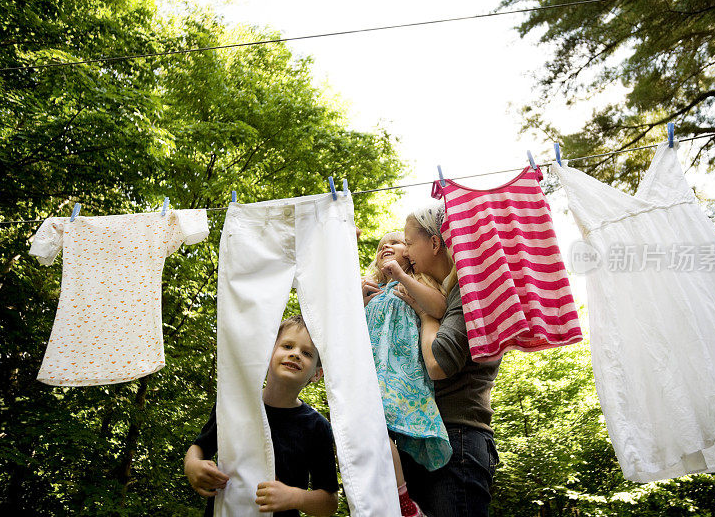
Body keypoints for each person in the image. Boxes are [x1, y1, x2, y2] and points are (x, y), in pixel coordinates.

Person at [395, 203, 501, 517]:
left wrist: (427, 317)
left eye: (409, 242)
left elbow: (438, 363)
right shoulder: (444, 291)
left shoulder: (470, 290)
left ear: (435, 242)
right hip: (434, 439)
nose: (406, 250)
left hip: (458, 440)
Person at [184, 315, 339, 517]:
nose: (295, 354)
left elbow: (329, 502)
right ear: (268, 353)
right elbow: (199, 448)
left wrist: (295, 497)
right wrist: (192, 466)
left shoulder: (317, 426)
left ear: (316, 374)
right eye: (287, 346)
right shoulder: (234, 404)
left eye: (307, 353)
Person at [360, 231, 452, 517]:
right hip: (372, 375)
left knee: (379, 432)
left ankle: (404, 499)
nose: (386, 246)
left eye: (395, 243)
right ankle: (402, 501)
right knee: (366, 434)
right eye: (380, 246)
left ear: (410, 255)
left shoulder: (414, 282)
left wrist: (401, 275)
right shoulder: (371, 292)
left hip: (403, 376)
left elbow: (438, 307)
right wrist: (357, 299)